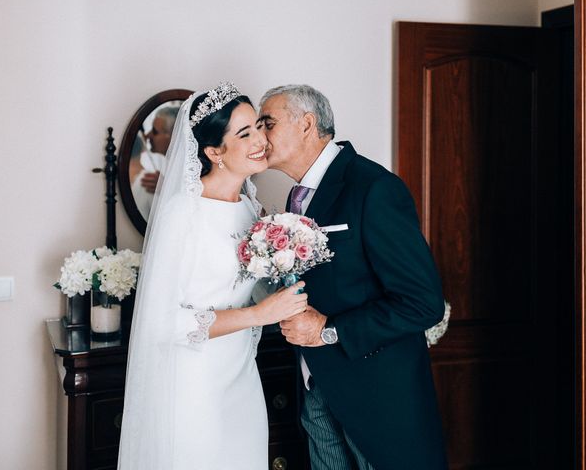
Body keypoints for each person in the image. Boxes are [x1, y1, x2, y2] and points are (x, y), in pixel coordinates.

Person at [117, 82, 308, 470]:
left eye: (258, 126)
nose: (260, 140)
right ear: (214, 152)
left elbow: (247, 288)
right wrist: (260, 315)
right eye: (244, 133)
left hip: (239, 375)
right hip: (192, 383)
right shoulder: (182, 215)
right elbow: (163, 321)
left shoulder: (250, 210)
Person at [259, 84, 448, 470]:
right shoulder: (297, 197)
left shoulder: (374, 188)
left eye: (268, 123)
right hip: (317, 388)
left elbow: (423, 303)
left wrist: (329, 330)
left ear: (307, 124)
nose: (259, 136)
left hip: (377, 397)